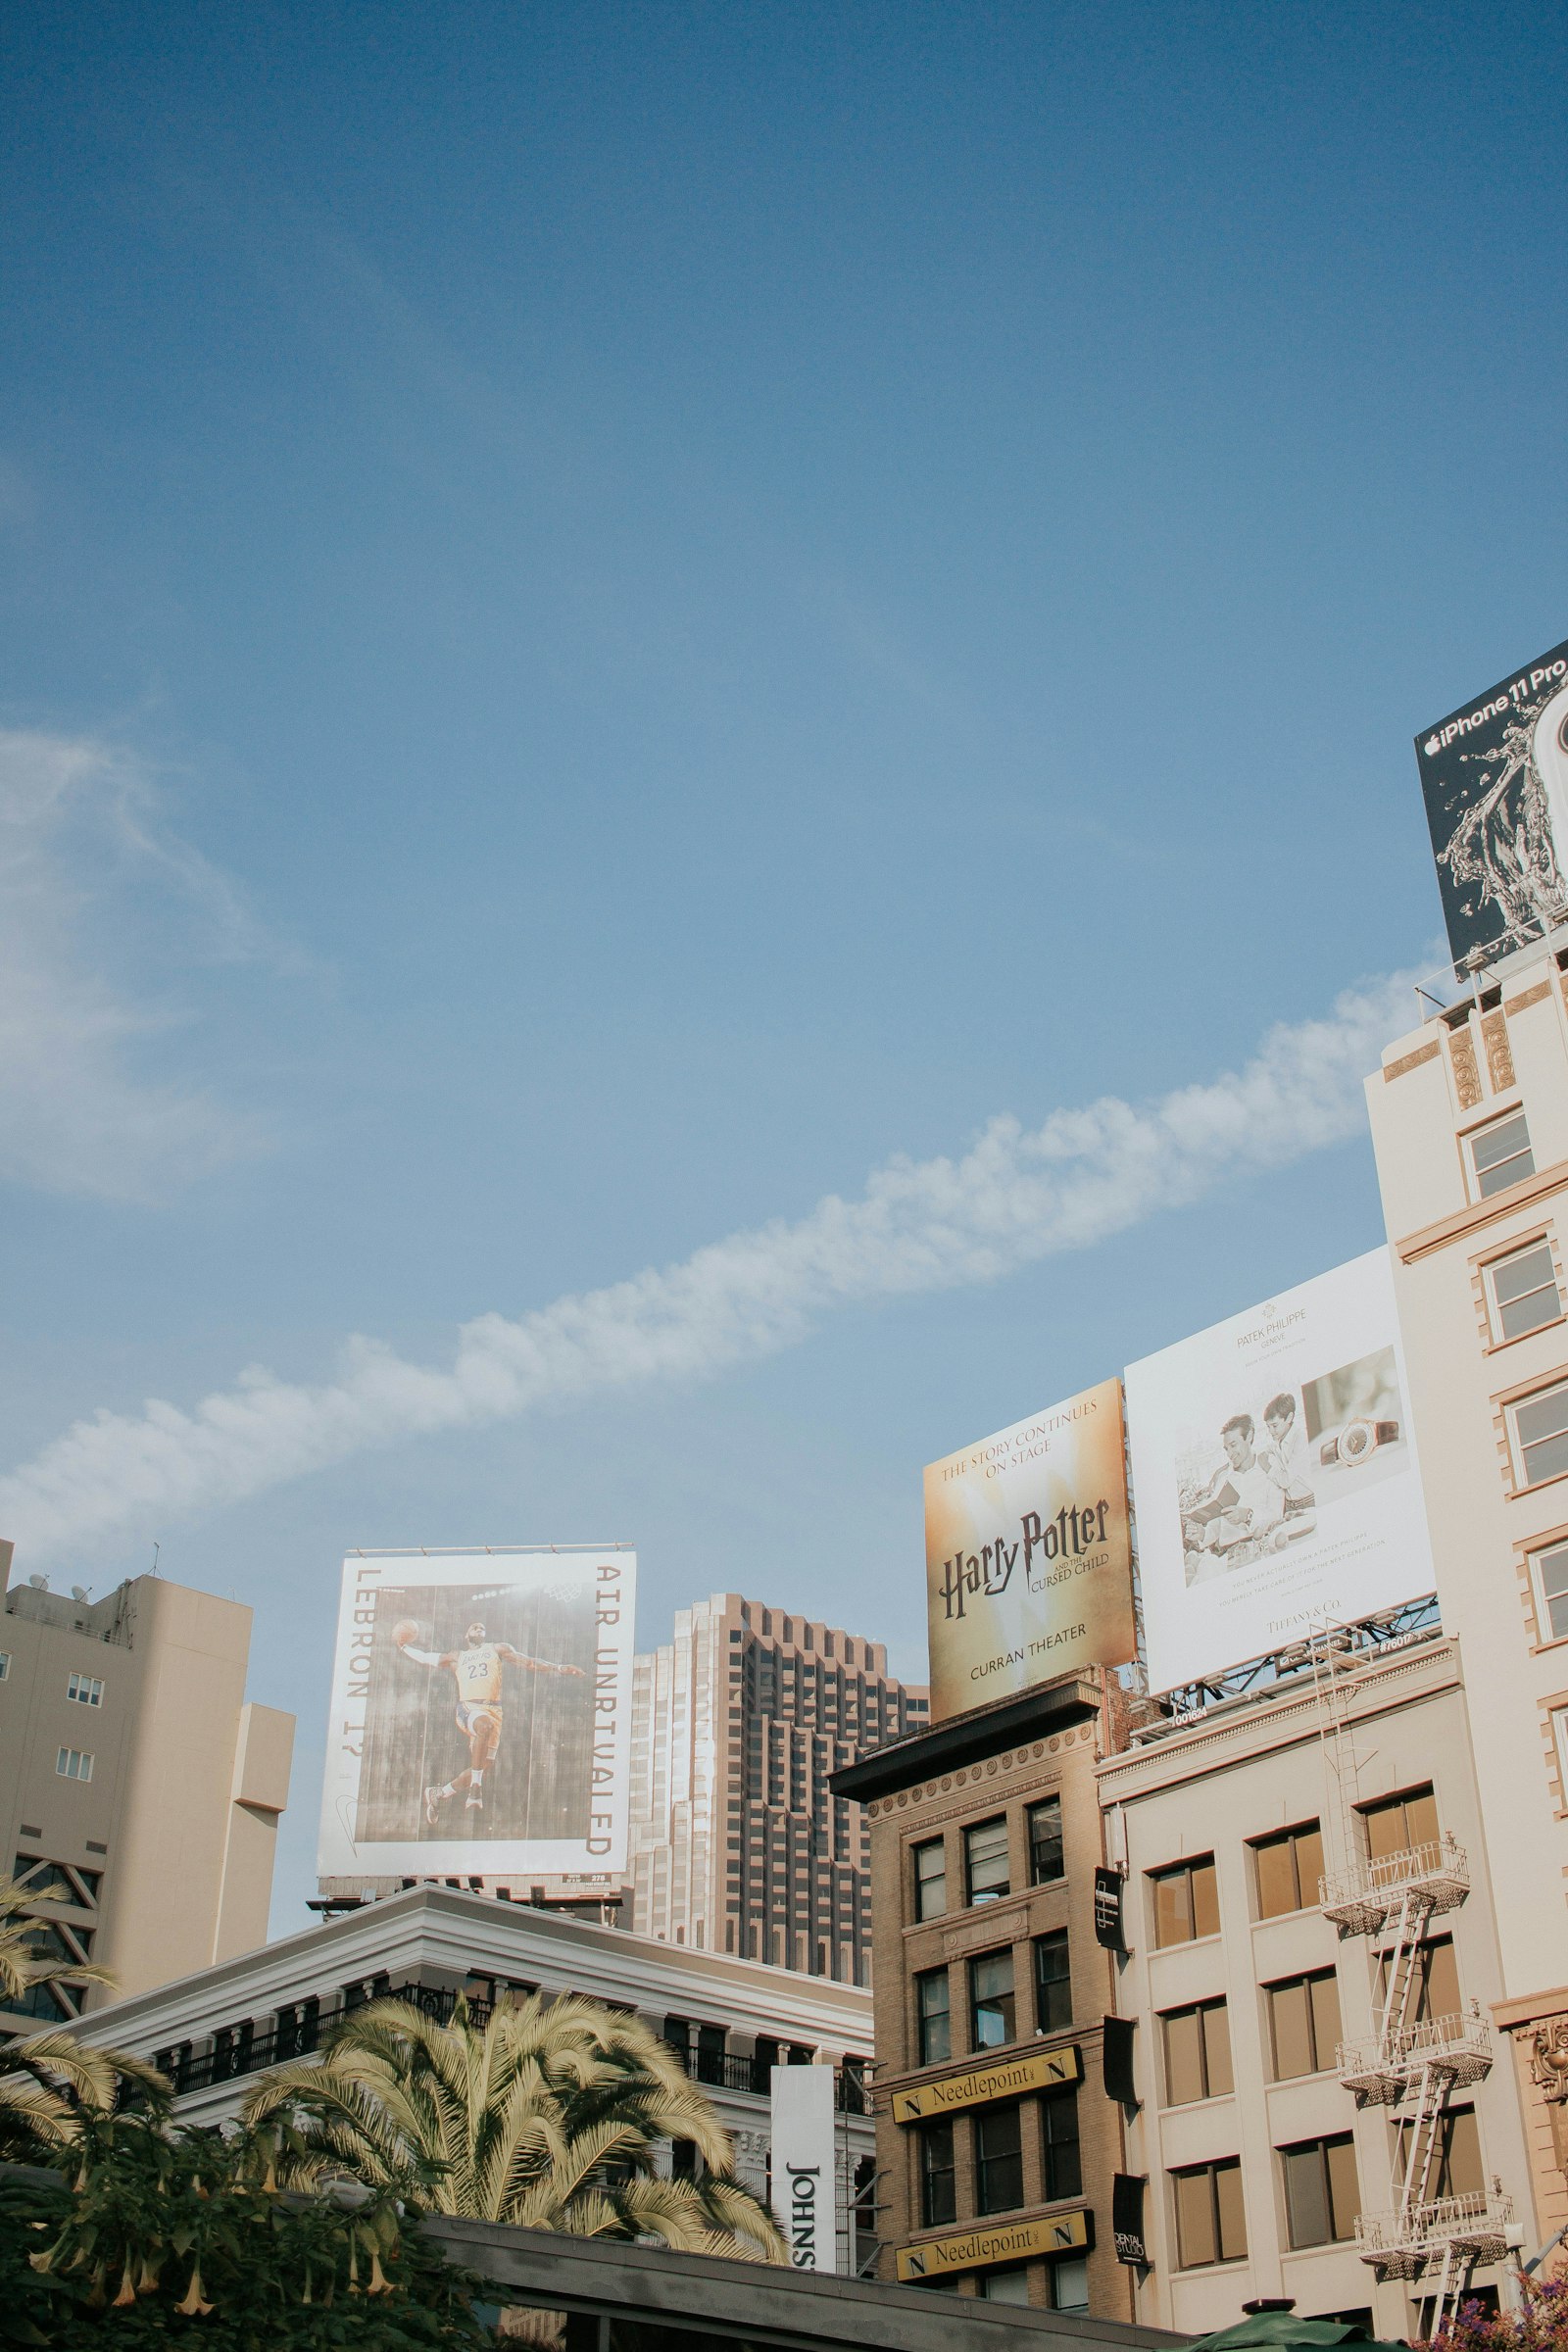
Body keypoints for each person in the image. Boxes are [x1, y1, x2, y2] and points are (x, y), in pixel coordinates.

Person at [395, 1618, 586, 1826]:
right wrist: (404, 1647)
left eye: (482, 1627)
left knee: (485, 1765)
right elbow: (425, 1657)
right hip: (469, 1708)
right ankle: (476, 1788)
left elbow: (529, 1662)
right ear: (466, 1636)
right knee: (483, 1728)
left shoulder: (498, 1649)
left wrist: (558, 1668)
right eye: (473, 1626)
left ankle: (439, 1793)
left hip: (494, 1710)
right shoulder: (457, 1656)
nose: (478, 1628)